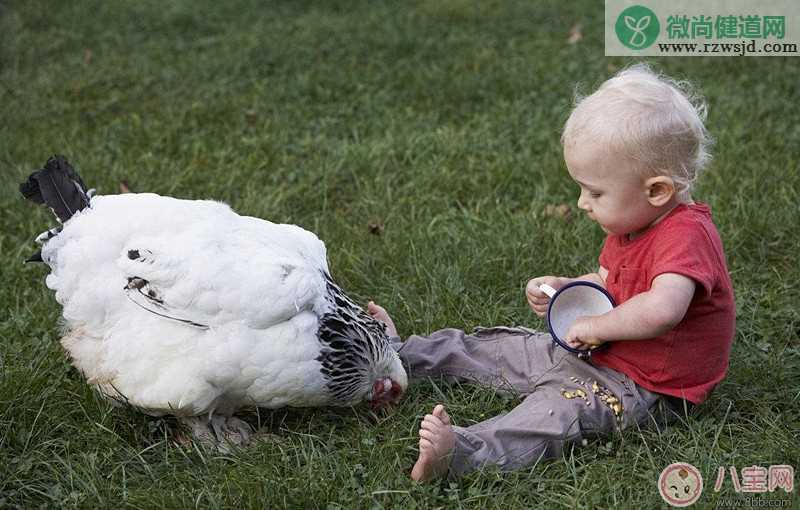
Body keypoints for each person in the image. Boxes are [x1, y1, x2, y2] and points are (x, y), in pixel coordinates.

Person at [368, 64, 735, 482]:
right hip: (596, 352)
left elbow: (663, 308)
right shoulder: (632, 222)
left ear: (657, 190)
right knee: (497, 347)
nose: (582, 202)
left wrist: (598, 324)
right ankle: (397, 356)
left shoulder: (686, 235)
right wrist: (568, 289)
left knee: (556, 412)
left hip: (644, 387)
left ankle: (462, 454)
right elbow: (609, 281)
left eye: (595, 192)